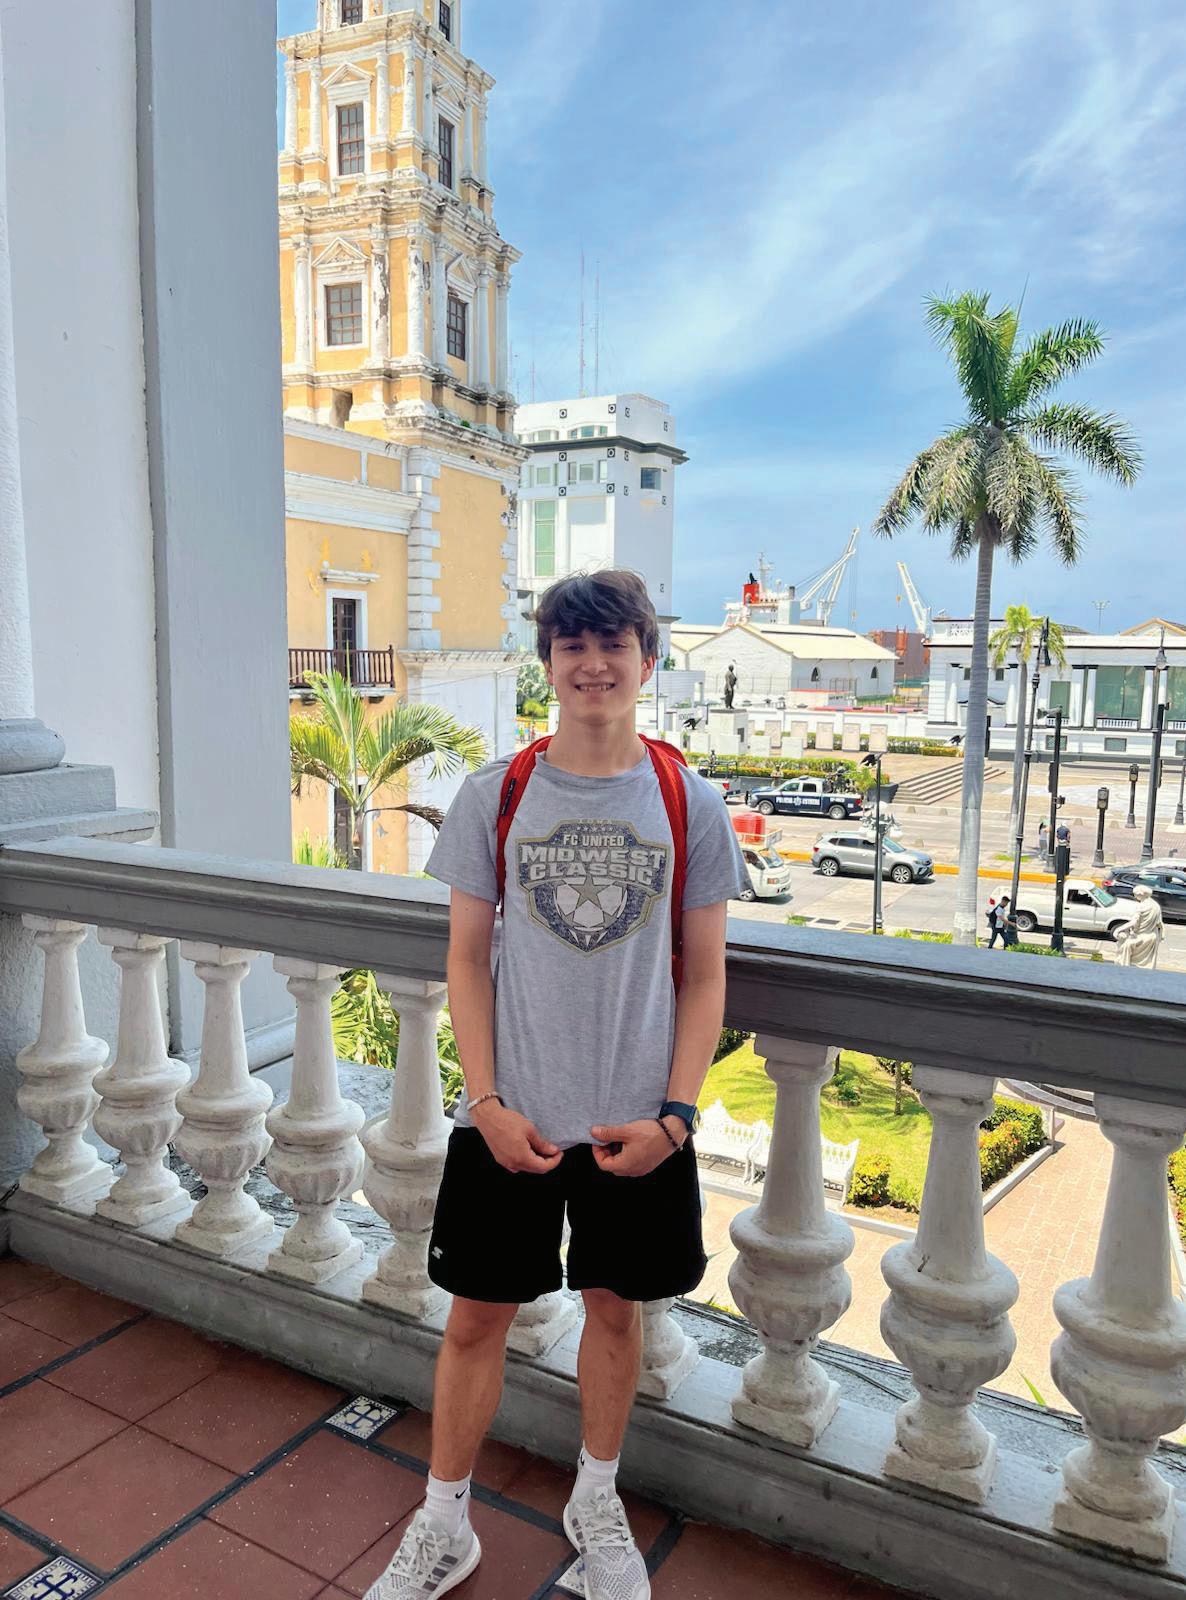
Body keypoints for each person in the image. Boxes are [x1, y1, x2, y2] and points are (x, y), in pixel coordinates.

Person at [366, 570, 748, 1600]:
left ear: (647, 661)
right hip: (512, 1118)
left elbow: (706, 975)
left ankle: (595, 1502)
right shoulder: (496, 793)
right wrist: (486, 1102)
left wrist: (676, 1118)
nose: (592, 664)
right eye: (571, 645)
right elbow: (465, 959)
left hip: (635, 1125)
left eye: (613, 644)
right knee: (473, 1321)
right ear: (546, 665)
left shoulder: (689, 801)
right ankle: (444, 1521)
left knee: (616, 1316)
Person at [1114, 882, 1164, 968]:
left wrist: (1118, 929)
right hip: (1152, 937)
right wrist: (1162, 935)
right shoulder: (1156, 906)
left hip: (1141, 937)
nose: (1135, 897)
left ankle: (1124, 968)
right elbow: (1159, 924)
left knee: (1124, 948)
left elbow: (1133, 922)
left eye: (1135, 895)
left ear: (1141, 894)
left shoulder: (1141, 906)